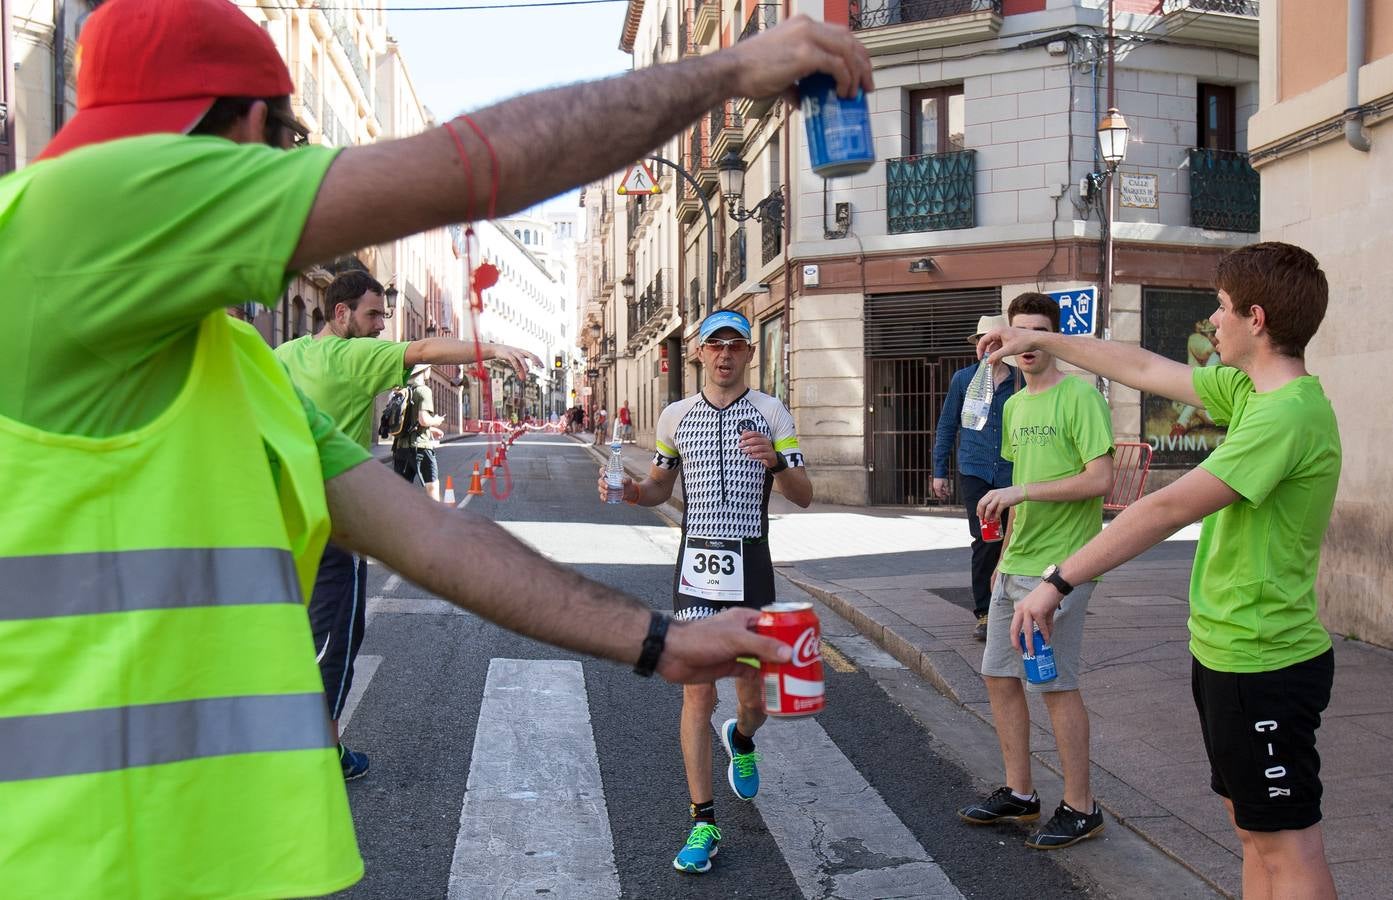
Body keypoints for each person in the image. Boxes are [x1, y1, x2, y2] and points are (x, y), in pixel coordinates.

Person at [0, 0, 872, 894]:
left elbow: (432, 536)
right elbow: (463, 169)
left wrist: (655, 642)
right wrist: (728, 72)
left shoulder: (236, 372)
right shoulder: (70, 222)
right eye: (291, 148)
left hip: (186, 855)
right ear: (254, 129)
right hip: (66, 859)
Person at [980, 243, 1341, 898]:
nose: (1213, 319)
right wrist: (1034, 337)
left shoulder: (1286, 416)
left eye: (1222, 308)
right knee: (1252, 834)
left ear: (1254, 319)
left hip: (1266, 663)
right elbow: (1141, 365)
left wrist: (1057, 580)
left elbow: (1169, 505)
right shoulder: (1248, 393)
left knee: (1288, 849)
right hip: (1228, 655)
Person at [277, 269, 537, 779]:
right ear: (341, 313)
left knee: (295, 631)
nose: (380, 326)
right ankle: (318, 754)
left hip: (283, 519)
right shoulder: (350, 357)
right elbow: (423, 351)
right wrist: (496, 348)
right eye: (373, 314)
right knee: (334, 640)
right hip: (334, 522)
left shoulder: (284, 356)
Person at [597, 310, 814, 875]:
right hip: (695, 569)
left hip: (751, 567)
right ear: (698, 354)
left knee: (750, 697)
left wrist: (776, 461)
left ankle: (741, 739)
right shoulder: (676, 416)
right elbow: (657, 489)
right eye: (715, 347)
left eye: (735, 347)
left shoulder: (773, 412)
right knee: (697, 695)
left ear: (748, 355)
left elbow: (804, 493)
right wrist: (626, 491)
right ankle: (702, 820)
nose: (724, 356)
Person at [955, 292, 1114, 851]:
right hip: (1017, 565)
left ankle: (1082, 807)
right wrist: (1002, 558)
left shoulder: (1080, 395)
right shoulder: (1016, 406)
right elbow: (1021, 490)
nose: (1023, 343)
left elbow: (1100, 480)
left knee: (1054, 684)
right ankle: (1021, 793)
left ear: (1052, 338)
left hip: (1062, 570)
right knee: (999, 674)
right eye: (1015, 332)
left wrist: (1019, 489)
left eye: (1036, 332)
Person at [932, 314, 1020, 641]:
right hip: (976, 472)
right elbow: (947, 426)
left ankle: (1011, 606)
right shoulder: (963, 380)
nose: (988, 348)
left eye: (995, 342)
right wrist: (939, 472)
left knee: (1015, 542)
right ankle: (984, 613)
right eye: (983, 342)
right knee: (985, 542)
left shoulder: (1020, 381)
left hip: (1014, 473)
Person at [393, 363, 446, 500]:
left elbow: (408, 421)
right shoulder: (424, 390)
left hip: (400, 447)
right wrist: (437, 420)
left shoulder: (402, 390)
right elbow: (423, 420)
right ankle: (436, 518)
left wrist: (431, 429)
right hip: (421, 448)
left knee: (402, 489)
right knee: (432, 485)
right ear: (424, 371)